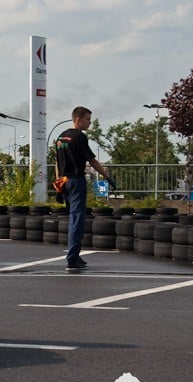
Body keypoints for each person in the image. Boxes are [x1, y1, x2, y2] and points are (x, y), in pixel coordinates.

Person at [56, 106, 116, 273]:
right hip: (76, 181)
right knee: (77, 219)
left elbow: (57, 163)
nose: (90, 122)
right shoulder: (79, 137)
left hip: (64, 181)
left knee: (72, 218)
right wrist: (107, 176)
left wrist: (58, 185)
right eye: (88, 119)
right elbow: (92, 161)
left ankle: (74, 255)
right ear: (78, 119)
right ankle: (73, 258)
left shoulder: (61, 137)